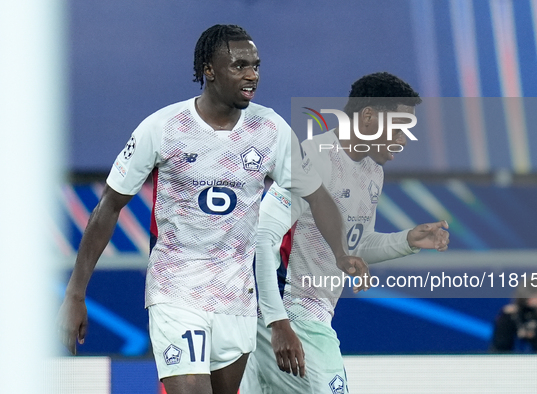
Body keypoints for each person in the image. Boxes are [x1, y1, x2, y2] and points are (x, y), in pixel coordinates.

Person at [57, 24, 369, 394]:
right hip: (177, 292)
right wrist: (76, 294)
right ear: (209, 70)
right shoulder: (164, 128)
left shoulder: (271, 130)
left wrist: (341, 252)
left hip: (236, 299)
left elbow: (318, 197)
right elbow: (108, 208)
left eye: (255, 65)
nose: (251, 74)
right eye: (239, 66)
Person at [241, 72, 450, 393]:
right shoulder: (312, 158)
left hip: (307, 318)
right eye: (400, 126)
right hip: (290, 314)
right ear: (368, 117)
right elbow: (262, 237)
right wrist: (277, 323)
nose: (405, 139)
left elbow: (356, 245)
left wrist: (406, 240)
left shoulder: (371, 172)